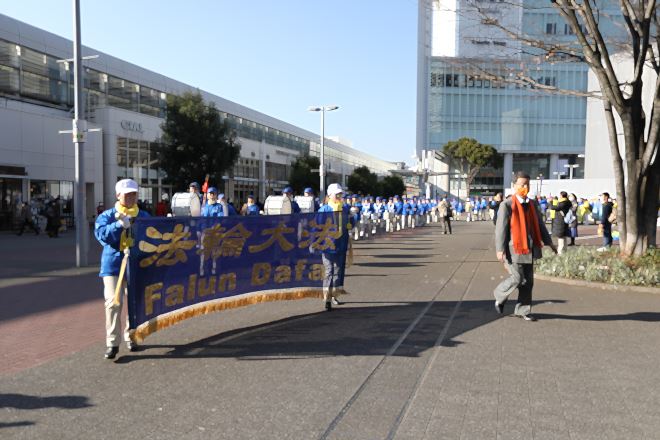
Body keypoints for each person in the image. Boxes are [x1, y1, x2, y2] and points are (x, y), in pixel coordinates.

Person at [94, 179, 150, 359]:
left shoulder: (143, 215)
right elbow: (102, 235)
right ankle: (112, 343)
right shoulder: (107, 216)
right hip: (113, 266)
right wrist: (119, 225)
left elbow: (153, 235)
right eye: (127, 194)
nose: (131, 197)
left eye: (134, 194)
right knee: (113, 303)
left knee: (135, 304)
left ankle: (131, 337)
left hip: (136, 265)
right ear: (118, 195)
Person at [494, 171, 556, 322]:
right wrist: (500, 249)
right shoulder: (507, 205)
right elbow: (501, 229)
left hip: (530, 249)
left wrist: (549, 242)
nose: (525, 188)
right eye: (522, 185)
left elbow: (540, 225)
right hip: (513, 249)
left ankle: (523, 310)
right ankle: (499, 295)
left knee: (528, 282)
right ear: (514, 186)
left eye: (527, 184)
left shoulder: (532, 204)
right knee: (517, 278)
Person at [317, 183, 354, 311]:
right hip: (327, 246)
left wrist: (352, 219)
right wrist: (315, 242)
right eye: (336, 194)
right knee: (329, 271)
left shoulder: (345, 209)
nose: (339, 196)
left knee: (338, 272)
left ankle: (334, 295)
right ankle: (327, 298)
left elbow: (350, 224)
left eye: (340, 194)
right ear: (330, 195)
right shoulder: (324, 210)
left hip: (341, 244)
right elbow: (317, 226)